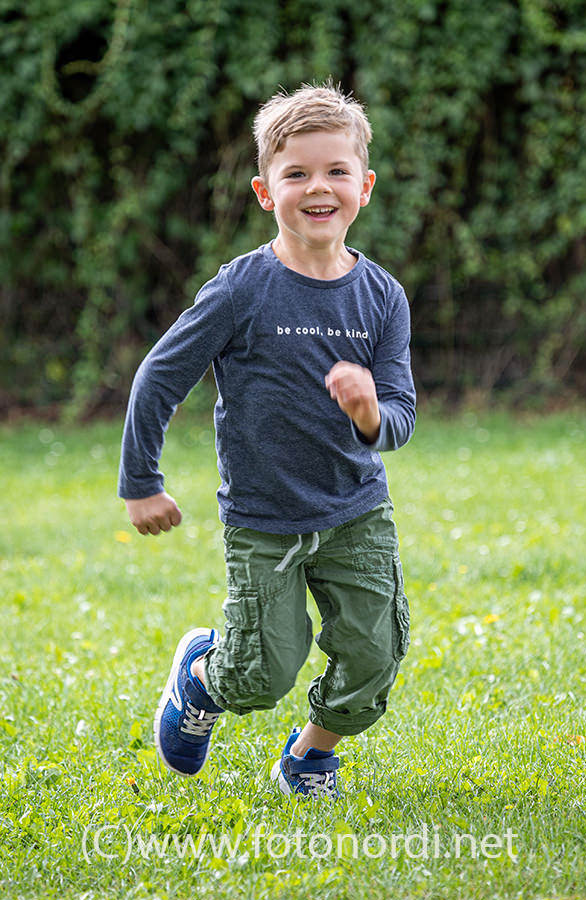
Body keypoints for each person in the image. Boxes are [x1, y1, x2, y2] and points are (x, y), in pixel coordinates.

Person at [118, 82, 416, 800]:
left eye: (337, 172)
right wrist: (141, 483)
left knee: (375, 657)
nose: (319, 187)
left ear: (365, 186)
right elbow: (159, 377)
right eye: (297, 174)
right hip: (264, 518)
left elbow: (399, 417)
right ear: (264, 190)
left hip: (355, 511)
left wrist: (369, 412)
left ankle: (311, 758)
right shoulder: (241, 290)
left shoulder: (382, 297)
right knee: (262, 672)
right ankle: (200, 676)